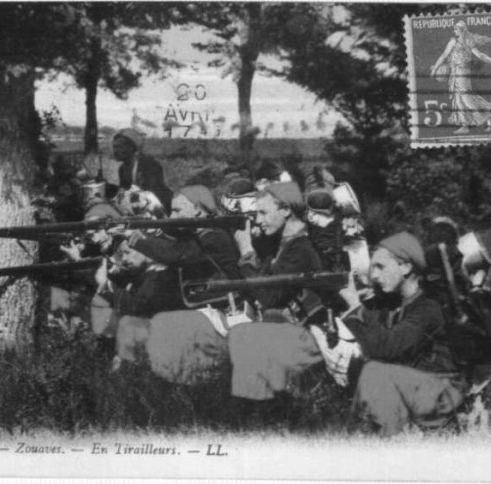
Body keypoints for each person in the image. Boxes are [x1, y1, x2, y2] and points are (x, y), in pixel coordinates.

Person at [337, 232, 465, 436]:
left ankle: (386, 444)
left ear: (405, 267)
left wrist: (355, 309)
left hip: (442, 392)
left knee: (375, 371)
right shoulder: (400, 305)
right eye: (373, 268)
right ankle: (362, 439)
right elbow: (377, 334)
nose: (375, 276)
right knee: (365, 368)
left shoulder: (427, 308)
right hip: (417, 386)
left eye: (381, 266)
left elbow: (386, 347)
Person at [226, 182, 325, 401]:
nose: (258, 220)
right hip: (287, 327)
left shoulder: (301, 249)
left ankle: (260, 409)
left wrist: (246, 252)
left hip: (306, 334)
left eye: (263, 213)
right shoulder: (283, 243)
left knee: (242, 335)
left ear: (286, 210)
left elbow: (269, 297)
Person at [126, 185, 242, 298]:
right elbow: (173, 239)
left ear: (197, 210)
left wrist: (138, 241)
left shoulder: (214, 236)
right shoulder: (202, 233)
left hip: (231, 298)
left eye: (177, 210)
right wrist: (152, 222)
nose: (172, 216)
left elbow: (176, 254)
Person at [430, 21, 491, 134]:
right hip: (454, 72)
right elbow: (444, 55)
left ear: (462, 30)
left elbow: (480, 55)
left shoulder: (468, 41)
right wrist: (435, 68)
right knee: (458, 99)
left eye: (457, 29)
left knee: (467, 98)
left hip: (463, 72)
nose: (455, 31)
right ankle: (465, 125)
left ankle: (487, 113)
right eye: (455, 30)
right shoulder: (453, 41)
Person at [112, 128, 173, 212]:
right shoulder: (122, 169)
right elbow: (124, 191)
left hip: (156, 208)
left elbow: (151, 193)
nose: (115, 151)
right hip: (137, 205)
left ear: (131, 147)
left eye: (119, 147)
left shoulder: (148, 164)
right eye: (114, 147)